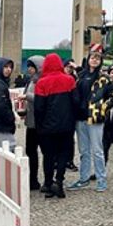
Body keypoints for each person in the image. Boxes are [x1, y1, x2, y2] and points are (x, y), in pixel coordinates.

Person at [69, 47, 112, 192]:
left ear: (100, 61)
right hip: (80, 118)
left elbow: (112, 96)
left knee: (97, 150)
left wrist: (103, 108)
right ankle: (84, 178)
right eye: (92, 57)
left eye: (97, 58)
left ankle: (101, 180)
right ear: (88, 59)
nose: (94, 60)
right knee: (84, 151)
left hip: (94, 118)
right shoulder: (80, 76)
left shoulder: (103, 78)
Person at [34, 53, 76, 198]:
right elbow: (75, 102)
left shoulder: (41, 83)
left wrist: (39, 127)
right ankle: (59, 181)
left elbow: (39, 108)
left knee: (48, 156)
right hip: (66, 126)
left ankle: (47, 182)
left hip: (47, 127)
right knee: (64, 154)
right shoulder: (70, 80)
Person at [19, 56, 44, 190]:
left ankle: (40, 180)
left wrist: (27, 96)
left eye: (32, 67)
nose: (29, 69)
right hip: (31, 121)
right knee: (30, 151)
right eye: (28, 66)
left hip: (40, 122)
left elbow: (42, 99)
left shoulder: (41, 81)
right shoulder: (31, 81)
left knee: (43, 152)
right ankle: (32, 178)